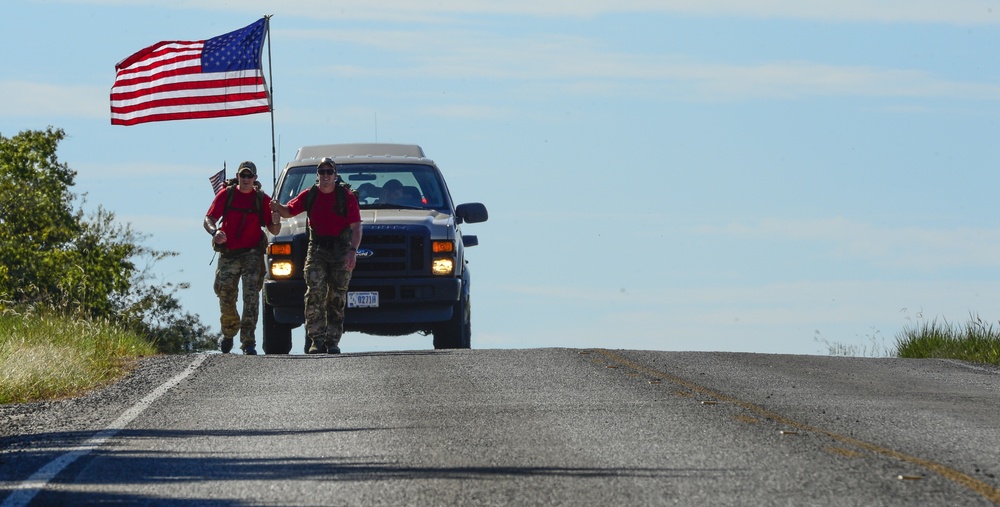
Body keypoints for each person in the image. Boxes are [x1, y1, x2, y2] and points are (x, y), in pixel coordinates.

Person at [270, 157, 362, 354]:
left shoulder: (346, 197)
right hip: (317, 248)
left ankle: (333, 341)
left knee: (336, 297)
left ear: (335, 176)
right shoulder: (310, 195)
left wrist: (352, 252)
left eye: (329, 172)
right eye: (322, 172)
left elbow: (356, 227)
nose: (326, 175)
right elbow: (289, 211)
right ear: (317, 174)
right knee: (314, 293)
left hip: (341, 249)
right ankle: (316, 339)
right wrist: (277, 207)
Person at [204, 161, 281, 355]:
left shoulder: (261, 199)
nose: (246, 180)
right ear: (238, 177)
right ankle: (229, 331)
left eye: (249, 176)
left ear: (255, 179)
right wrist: (215, 232)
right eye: (243, 176)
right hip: (229, 253)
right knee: (225, 293)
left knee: (251, 297)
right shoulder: (227, 195)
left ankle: (248, 342)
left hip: (252, 253)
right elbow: (209, 219)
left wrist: (276, 216)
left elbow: (274, 230)